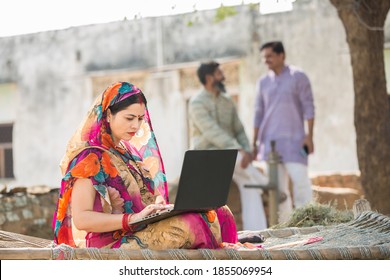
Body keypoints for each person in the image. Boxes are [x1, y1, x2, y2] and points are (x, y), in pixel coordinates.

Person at [52, 81, 238, 249]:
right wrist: (133, 219)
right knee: (187, 224)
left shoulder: (129, 154)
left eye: (140, 119)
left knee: (219, 211)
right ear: (109, 115)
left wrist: (160, 207)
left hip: (140, 229)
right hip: (111, 243)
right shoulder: (89, 158)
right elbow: (82, 219)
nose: (136, 126)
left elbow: (154, 197)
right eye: (129, 118)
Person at [188, 61, 268, 231]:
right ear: (209, 78)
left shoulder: (227, 101)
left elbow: (238, 129)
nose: (223, 77)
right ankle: (265, 182)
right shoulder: (196, 103)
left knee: (249, 184)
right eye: (219, 73)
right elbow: (212, 132)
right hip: (208, 157)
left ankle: (257, 233)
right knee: (251, 177)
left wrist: (246, 149)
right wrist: (239, 150)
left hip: (233, 157)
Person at [253, 41, 315, 223]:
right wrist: (255, 143)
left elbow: (309, 107)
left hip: (296, 142)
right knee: (279, 192)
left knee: (301, 184)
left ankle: (308, 226)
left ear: (282, 55)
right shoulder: (263, 82)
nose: (266, 61)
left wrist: (309, 136)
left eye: (269, 56)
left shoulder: (298, 77)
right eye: (264, 57)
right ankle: (286, 230)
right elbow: (258, 113)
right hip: (270, 145)